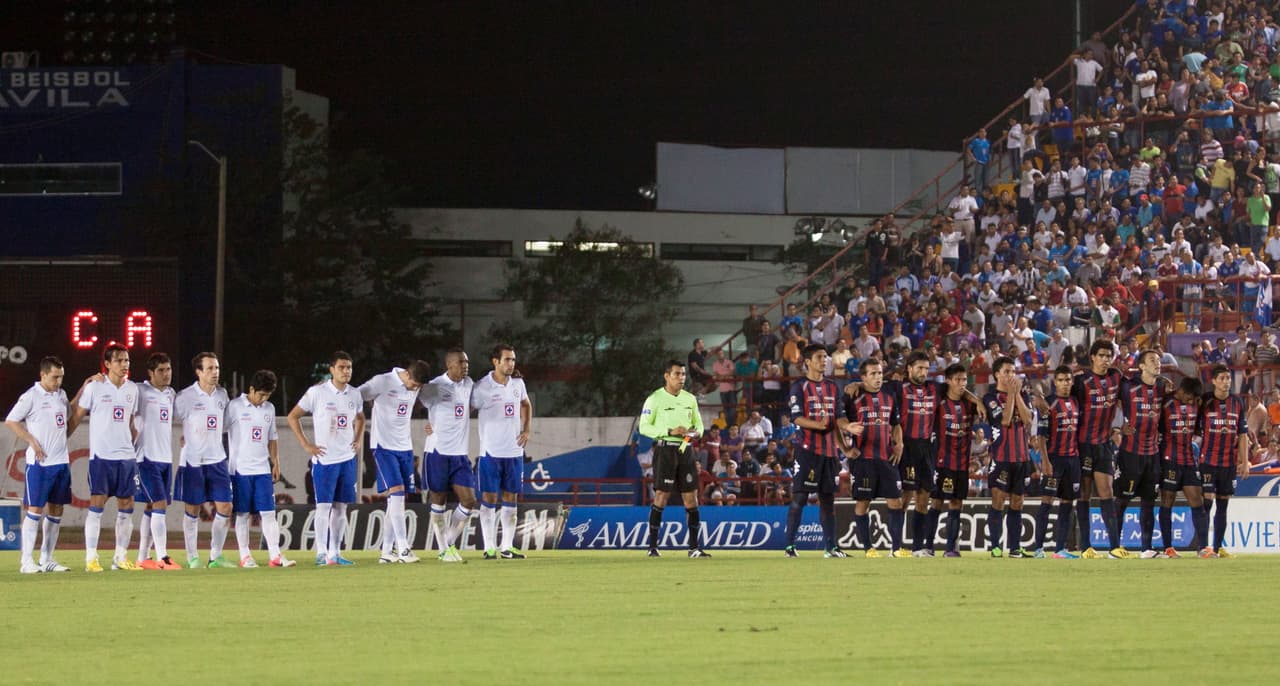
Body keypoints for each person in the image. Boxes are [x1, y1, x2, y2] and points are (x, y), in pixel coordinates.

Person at [4, 357, 84, 573]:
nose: (58, 381)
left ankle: (47, 558)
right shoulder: (31, 397)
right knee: (34, 509)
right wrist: (31, 440)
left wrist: (83, 390)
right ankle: (26, 561)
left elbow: (68, 415)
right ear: (43, 375)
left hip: (61, 463)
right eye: (55, 377)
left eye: (61, 377)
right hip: (40, 464)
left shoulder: (61, 395)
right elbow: (11, 420)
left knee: (56, 510)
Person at [287, 351, 365, 566]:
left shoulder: (355, 394)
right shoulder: (317, 393)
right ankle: (321, 552)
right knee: (323, 507)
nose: (346, 371)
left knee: (341, 508)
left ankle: (335, 552)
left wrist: (357, 439)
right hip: (325, 460)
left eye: (349, 367)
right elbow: (293, 416)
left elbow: (360, 418)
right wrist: (306, 444)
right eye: (341, 367)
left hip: (347, 459)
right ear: (331, 370)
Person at [71, 344, 142, 572]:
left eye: (127, 360)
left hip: (126, 457)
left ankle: (120, 557)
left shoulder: (132, 389)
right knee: (97, 505)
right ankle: (91, 558)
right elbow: (76, 415)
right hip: (102, 456)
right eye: (119, 360)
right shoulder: (95, 388)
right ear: (108, 364)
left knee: (127, 505)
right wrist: (62, 438)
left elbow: (131, 422)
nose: (124, 365)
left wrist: (132, 441)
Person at [357, 360, 431, 564]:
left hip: (405, 448)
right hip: (383, 447)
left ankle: (387, 552)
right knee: (397, 493)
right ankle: (404, 548)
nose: (416, 389)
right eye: (414, 384)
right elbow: (355, 396)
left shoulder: (416, 385)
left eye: (419, 387)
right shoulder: (382, 382)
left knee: (397, 499)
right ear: (407, 374)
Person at [636, 359, 709, 557]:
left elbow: (700, 426)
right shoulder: (655, 399)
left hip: (686, 450)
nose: (681, 378)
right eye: (677, 374)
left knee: (691, 498)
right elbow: (644, 427)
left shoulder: (690, 399)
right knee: (661, 496)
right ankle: (652, 547)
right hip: (665, 450)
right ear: (666, 376)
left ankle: (694, 548)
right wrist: (670, 430)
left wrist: (695, 433)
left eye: (683, 374)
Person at [781, 344, 846, 558]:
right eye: (819, 357)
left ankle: (831, 547)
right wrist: (819, 425)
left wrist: (845, 439)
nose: (824, 360)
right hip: (807, 451)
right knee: (799, 498)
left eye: (826, 357)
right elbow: (796, 418)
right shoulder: (799, 387)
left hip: (829, 452)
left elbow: (838, 419)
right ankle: (790, 546)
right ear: (807, 361)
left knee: (828, 500)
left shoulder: (833, 387)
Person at [415, 347, 479, 562]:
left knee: (469, 501)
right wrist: (430, 423)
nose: (465, 366)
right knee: (438, 502)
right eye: (461, 362)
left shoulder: (469, 384)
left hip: (460, 454)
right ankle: (445, 550)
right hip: (437, 453)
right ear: (449, 365)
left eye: (467, 362)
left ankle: (447, 543)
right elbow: (412, 398)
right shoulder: (434, 387)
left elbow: (466, 407)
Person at [472, 344, 533, 559]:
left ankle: (507, 546)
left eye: (513, 360)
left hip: (514, 453)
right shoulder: (482, 387)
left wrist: (526, 429)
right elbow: (461, 409)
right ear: (495, 361)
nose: (511, 364)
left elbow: (525, 404)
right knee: (488, 498)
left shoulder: (518, 383)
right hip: (490, 453)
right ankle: (489, 547)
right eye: (507, 359)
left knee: (511, 498)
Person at [227, 370, 294, 568]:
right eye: (260, 395)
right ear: (251, 389)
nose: (263, 399)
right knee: (242, 514)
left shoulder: (269, 409)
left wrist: (276, 462)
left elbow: (272, 437)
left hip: (262, 469)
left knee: (268, 513)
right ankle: (245, 555)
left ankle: (275, 555)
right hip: (240, 470)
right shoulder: (235, 406)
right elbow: (219, 430)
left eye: (267, 396)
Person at [174, 352, 234, 569]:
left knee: (225, 507)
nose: (215, 372)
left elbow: (224, 424)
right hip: (193, 461)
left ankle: (215, 556)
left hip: (217, 459)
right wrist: (185, 436)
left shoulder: (222, 395)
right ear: (198, 372)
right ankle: (192, 557)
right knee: (192, 509)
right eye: (209, 368)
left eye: (216, 368)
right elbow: (166, 418)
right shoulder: (185, 396)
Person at [842, 357, 905, 558]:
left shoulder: (890, 394)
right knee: (863, 503)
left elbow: (895, 424)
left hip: (887, 458)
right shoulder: (853, 395)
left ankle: (896, 549)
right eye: (873, 374)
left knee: (895, 502)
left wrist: (899, 443)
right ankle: (869, 549)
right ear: (863, 377)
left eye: (879, 373)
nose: (878, 377)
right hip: (863, 459)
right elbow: (838, 421)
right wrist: (846, 444)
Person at [1072, 341, 1127, 559]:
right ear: (1092, 357)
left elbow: (1129, 397)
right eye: (1101, 355)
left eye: (1109, 356)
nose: (1105, 359)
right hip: (1083, 445)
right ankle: (1086, 547)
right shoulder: (1080, 381)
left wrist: (1120, 427)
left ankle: (1114, 547)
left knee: (1107, 492)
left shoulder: (1116, 376)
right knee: (1084, 494)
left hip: (1104, 444)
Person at [1113, 351, 1166, 558]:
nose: (1158, 363)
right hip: (1130, 453)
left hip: (1152, 454)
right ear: (1141, 366)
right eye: (1152, 360)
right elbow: (1104, 405)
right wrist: (1116, 429)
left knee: (1149, 502)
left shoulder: (1162, 388)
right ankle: (1115, 546)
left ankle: (1146, 549)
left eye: (1159, 360)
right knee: (1122, 500)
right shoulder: (1128, 387)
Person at [131, 353, 181, 570]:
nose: (166, 374)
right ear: (150, 373)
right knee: (159, 504)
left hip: (165, 458)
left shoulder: (171, 394)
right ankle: (163, 556)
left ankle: (143, 557)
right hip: (145, 458)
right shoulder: (139, 391)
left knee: (152, 507)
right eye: (161, 370)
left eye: (168, 369)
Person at [927, 363, 981, 557]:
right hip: (943, 463)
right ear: (948, 381)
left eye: (964, 379)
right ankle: (928, 546)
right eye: (957, 379)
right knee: (937, 503)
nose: (962, 383)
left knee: (957, 504)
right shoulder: (939, 404)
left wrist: (978, 402)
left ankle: (951, 548)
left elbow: (980, 407)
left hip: (962, 464)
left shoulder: (970, 405)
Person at [983, 357, 1035, 557]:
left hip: (1021, 457)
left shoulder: (1022, 394)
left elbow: (1028, 419)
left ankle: (1015, 547)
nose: (1010, 375)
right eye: (1006, 371)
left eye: (1013, 371)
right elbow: (1004, 420)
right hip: (1001, 457)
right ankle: (995, 546)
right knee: (998, 501)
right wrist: (1012, 393)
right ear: (997, 374)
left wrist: (1017, 395)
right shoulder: (990, 398)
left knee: (1017, 503)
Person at [1199, 365, 1251, 558]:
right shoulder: (1205, 401)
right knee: (1207, 503)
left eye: (1228, 378)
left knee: (1223, 505)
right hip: (1208, 461)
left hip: (1228, 463)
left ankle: (1218, 547)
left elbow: (1243, 434)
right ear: (1213, 381)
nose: (1226, 381)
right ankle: (1203, 547)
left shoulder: (1237, 402)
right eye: (1221, 378)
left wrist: (1244, 462)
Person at [1031, 366, 1082, 558]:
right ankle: (1038, 548)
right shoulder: (1048, 404)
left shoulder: (1077, 401)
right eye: (1061, 380)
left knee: (1067, 504)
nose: (1065, 383)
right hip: (1054, 459)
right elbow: (1042, 436)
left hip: (1073, 460)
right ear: (1055, 382)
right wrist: (1045, 461)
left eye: (1068, 380)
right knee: (1046, 503)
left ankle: (1060, 549)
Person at [1159, 377, 1213, 558]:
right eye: (1188, 397)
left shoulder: (1198, 404)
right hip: (1169, 459)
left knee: (1197, 502)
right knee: (1167, 501)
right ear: (1180, 390)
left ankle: (1203, 548)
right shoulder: (1165, 402)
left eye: (1193, 399)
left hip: (1189, 459)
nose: (1190, 402)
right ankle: (1168, 548)